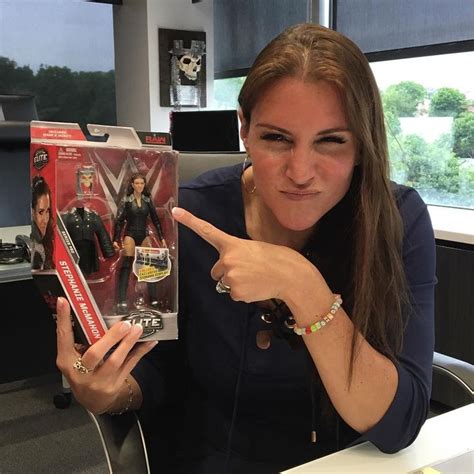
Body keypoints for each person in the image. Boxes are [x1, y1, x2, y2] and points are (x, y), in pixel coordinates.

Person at [55, 24, 436, 473]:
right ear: (245, 130)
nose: (300, 172)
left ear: (362, 145)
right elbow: (159, 372)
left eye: (331, 141)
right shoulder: (188, 216)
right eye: (277, 138)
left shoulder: (396, 220)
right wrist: (110, 390)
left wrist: (304, 288)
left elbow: (400, 424)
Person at [113, 172, 167, 312]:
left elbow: (156, 220)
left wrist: (162, 238)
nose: (139, 186)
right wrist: (115, 239)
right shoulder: (126, 200)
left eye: (142, 183)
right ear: (132, 185)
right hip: (130, 234)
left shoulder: (147, 201)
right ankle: (122, 301)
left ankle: (154, 299)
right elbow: (119, 221)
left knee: (150, 267)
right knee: (126, 264)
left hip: (143, 234)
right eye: (137, 183)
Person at [31, 175, 54, 270]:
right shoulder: (35, 249)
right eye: (41, 212)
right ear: (32, 212)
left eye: (47, 211)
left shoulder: (43, 243)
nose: (45, 219)